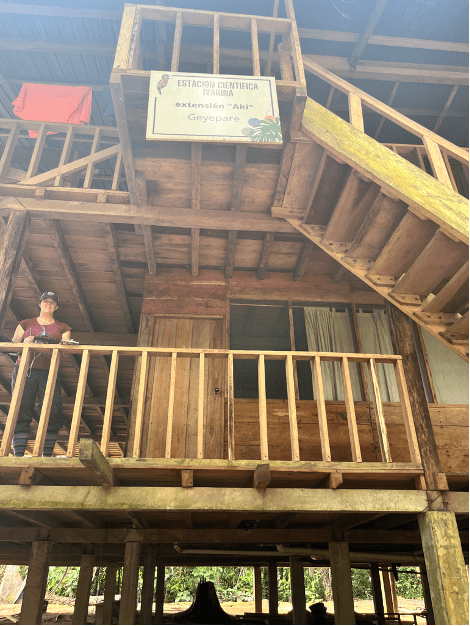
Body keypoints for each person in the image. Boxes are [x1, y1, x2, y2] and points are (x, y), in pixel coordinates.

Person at [11, 292, 71, 457]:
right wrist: (25, 343)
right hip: (24, 369)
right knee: (21, 407)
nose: (49, 304)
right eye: (46, 301)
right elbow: (12, 347)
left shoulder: (63, 328)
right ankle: (18, 454)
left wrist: (55, 346)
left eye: (52, 302)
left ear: (56, 307)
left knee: (52, 409)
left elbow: (65, 352)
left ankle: (46, 454)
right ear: (40, 304)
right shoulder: (25, 324)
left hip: (49, 371)